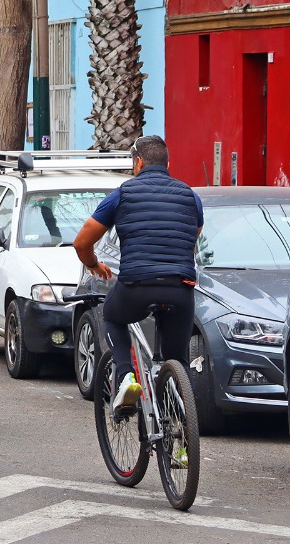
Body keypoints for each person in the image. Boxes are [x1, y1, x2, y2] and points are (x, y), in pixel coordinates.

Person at [73, 135, 203, 415]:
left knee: (112, 316)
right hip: (180, 287)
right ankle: (181, 424)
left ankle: (125, 377)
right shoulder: (191, 196)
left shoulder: (122, 194)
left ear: (139, 162)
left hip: (137, 285)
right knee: (177, 359)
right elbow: (193, 239)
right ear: (168, 164)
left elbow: (82, 242)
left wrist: (94, 265)